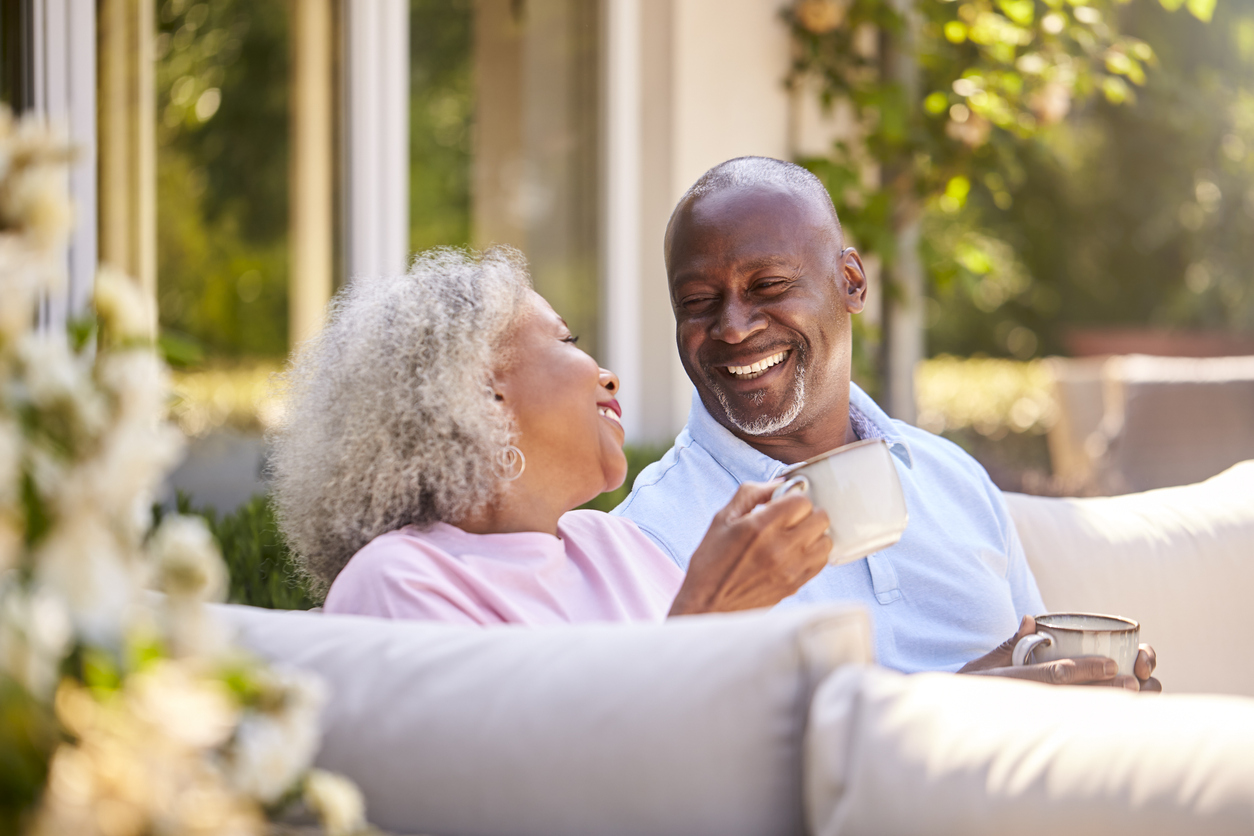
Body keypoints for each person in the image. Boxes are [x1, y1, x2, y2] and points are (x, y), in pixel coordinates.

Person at [613, 156, 1160, 690]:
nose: (732, 327)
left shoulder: (951, 478)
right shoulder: (651, 535)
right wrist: (957, 708)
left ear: (851, 282)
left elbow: (1036, 661)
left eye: (769, 286)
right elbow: (681, 759)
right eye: (698, 301)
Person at [269, 247, 833, 625]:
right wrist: (709, 613)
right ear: (480, 395)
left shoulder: (619, 546)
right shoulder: (399, 580)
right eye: (566, 341)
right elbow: (517, 787)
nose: (608, 375)